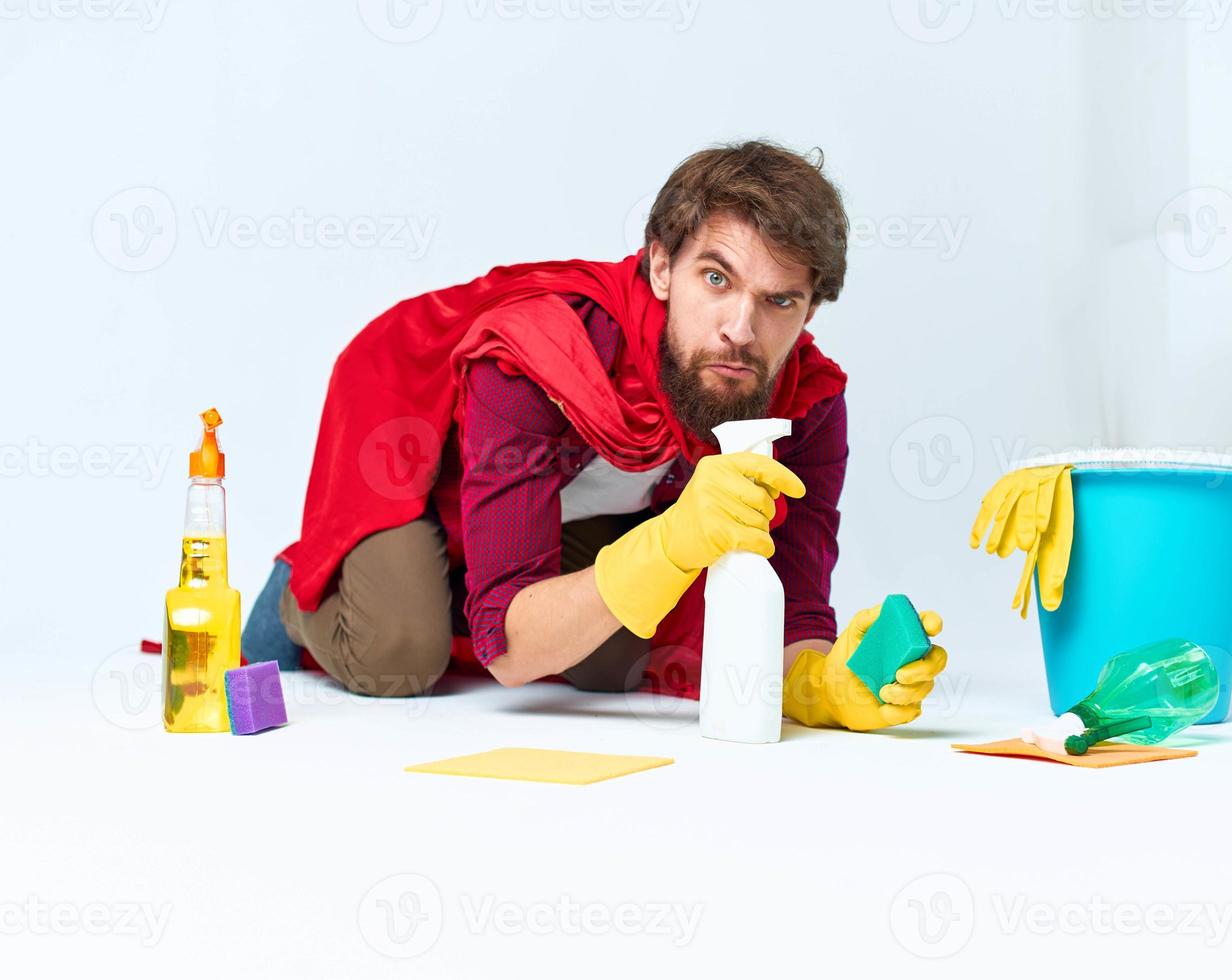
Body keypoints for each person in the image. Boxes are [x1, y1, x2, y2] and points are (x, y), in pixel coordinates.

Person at [243, 139, 947, 732]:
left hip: (562, 507)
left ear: (810, 307)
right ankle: (300, 588)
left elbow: (793, 605)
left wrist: (823, 685)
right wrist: (672, 544)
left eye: (778, 300)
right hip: (419, 463)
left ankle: (445, 583)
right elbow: (510, 652)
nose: (740, 329)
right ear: (662, 266)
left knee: (617, 657)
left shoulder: (808, 399)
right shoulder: (537, 355)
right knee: (398, 650)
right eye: (716, 278)